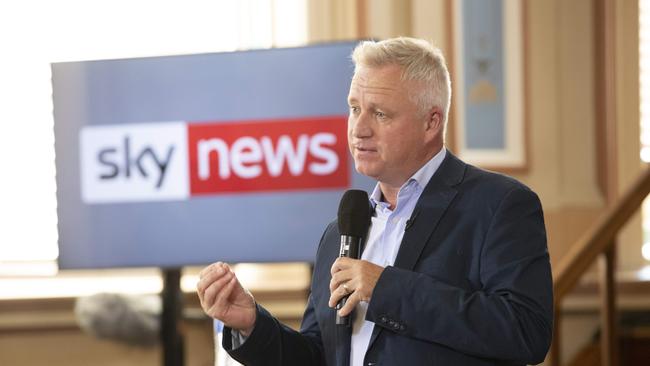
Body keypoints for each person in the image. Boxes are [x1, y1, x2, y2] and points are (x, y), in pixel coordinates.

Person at [197, 37, 553, 366]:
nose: (358, 129)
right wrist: (251, 325)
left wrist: (386, 288)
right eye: (355, 109)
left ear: (431, 123)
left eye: (380, 114)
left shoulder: (499, 205)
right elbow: (319, 356)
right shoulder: (341, 231)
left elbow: (526, 332)